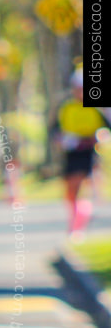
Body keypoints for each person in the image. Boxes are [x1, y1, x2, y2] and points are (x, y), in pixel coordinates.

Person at [55, 68, 106, 238]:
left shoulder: (98, 109)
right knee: (71, 190)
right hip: (71, 153)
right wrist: (62, 140)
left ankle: (79, 226)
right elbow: (55, 130)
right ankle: (75, 220)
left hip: (89, 153)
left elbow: (105, 130)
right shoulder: (67, 107)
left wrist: (97, 138)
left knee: (84, 188)